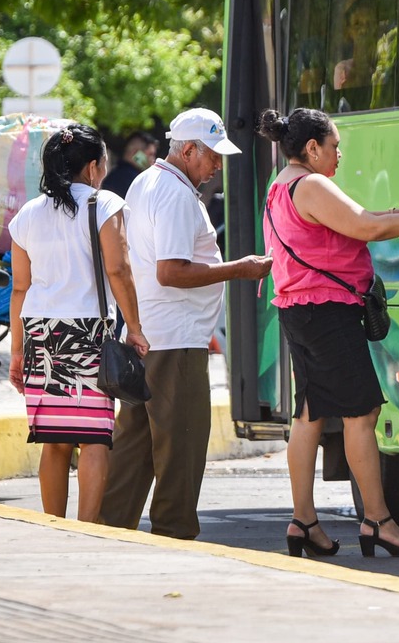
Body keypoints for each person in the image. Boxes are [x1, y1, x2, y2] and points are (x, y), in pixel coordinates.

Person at [256, 107, 399, 559]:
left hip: (299, 311)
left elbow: (357, 223)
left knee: (310, 415)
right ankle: (378, 520)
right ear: (312, 148)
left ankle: (304, 521)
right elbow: (368, 227)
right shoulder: (312, 184)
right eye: (335, 146)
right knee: (363, 414)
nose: (339, 154)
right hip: (328, 312)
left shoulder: (280, 185)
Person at [101, 108, 272, 539]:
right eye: (212, 156)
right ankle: (173, 534)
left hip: (150, 333)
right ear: (189, 150)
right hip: (175, 339)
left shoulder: (146, 182)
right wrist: (239, 268)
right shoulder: (176, 194)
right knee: (181, 446)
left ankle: (108, 531)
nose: (217, 166)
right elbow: (171, 271)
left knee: (134, 448)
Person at [7, 124, 150, 522]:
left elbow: (19, 289)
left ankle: (53, 525)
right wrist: (134, 328)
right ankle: (87, 528)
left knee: (53, 441)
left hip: (40, 334)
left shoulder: (27, 214)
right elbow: (119, 271)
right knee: (93, 440)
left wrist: (17, 351)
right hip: (88, 334)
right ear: (92, 168)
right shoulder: (104, 205)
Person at [101, 131, 157, 198]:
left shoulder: (113, 175)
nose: (153, 159)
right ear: (135, 153)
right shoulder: (137, 180)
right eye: (150, 154)